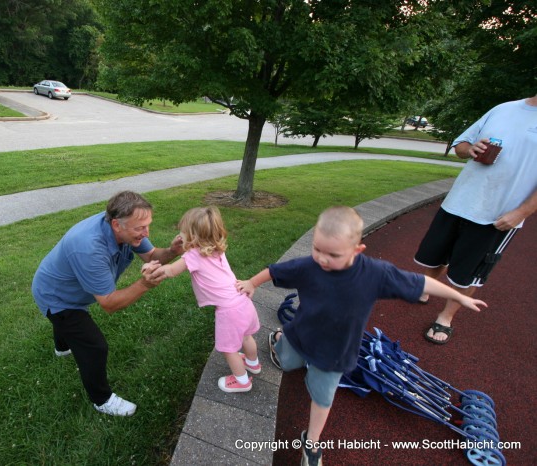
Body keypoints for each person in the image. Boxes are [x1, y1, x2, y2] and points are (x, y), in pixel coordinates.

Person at [236, 206, 487, 466]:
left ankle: (311, 443)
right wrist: (252, 283)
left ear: (357, 250)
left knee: (322, 398)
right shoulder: (309, 265)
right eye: (317, 249)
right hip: (300, 335)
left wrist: (457, 296)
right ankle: (280, 340)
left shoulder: (374, 274)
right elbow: (277, 271)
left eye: (333, 254)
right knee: (287, 362)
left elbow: (420, 283)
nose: (322, 259)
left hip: (334, 354)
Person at [31, 191, 183, 416]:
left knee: (69, 329)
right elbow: (109, 304)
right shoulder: (89, 247)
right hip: (56, 296)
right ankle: (102, 400)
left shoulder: (125, 227)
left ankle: (62, 348)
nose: (146, 232)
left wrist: (172, 251)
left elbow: (151, 256)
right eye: (140, 228)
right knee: (94, 346)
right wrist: (145, 285)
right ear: (116, 224)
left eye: (148, 225)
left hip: (66, 288)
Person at [414, 95, 537, 344]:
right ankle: (426, 289)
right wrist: (470, 149)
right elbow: (460, 146)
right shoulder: (502, 108)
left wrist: (522, 212)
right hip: (459, 201)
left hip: (497, 215)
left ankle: (446, 317)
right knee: (434, 254)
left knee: (468, 273)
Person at [150, 206, 261, 393]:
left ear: (193, 237)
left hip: (229, 311)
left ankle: (242, 381)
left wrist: (154, 269)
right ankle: (253, 363)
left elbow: (171, 270)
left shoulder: (192, 255)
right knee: (246, 336)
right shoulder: (217, 249)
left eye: (183, 232)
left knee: (229, 349)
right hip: (243, 301)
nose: (180, 235)